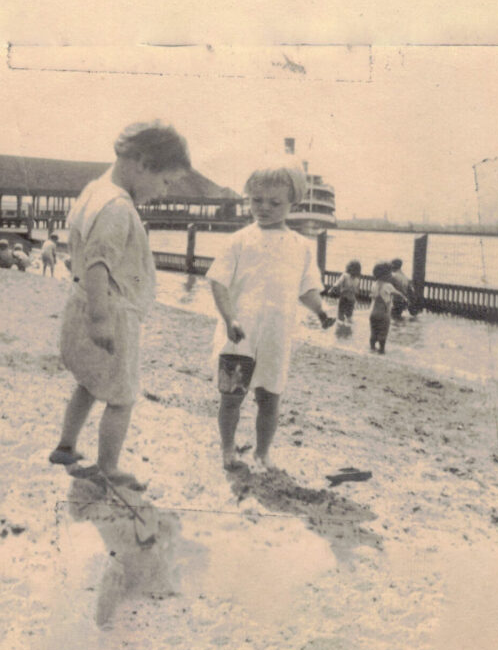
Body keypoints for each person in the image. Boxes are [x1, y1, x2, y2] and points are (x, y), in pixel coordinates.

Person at [48, 121, 191, 491]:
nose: (164, 193)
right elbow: (99, 261)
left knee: (91, 382)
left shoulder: (95, 190)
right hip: (108, 312)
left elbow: (79, 247)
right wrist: (100, 319)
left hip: (82, 304)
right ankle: (108, 466)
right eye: (166, 182)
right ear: (143, 163)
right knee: (122, 396)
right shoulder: (117, 207)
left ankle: (66, 446)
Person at [207, 163, 336, 473]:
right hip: (239, 335)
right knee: (231, 397)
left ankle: (263, 453)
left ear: (293, 203)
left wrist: (321, 311)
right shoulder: (239, 240)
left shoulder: (301, 247)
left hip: (277, 336)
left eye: (275, 203)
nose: (263, 208)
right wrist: (229, 318)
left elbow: (305, 289)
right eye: (256, 200)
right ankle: (228, 449)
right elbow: (218, 281)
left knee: (270, 398)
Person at [369, 262, 409, 354]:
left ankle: (372, 348)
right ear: (387, 275)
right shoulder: (388, 286)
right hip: (384, 314)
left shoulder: (374, 284)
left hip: (373, 313)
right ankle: (381, 350)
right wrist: (404, 298)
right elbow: (397, 293)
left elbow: (372, 295)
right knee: (383, 332)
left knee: (373, 332)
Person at [330, 259, 362, 324]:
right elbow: (357, 292)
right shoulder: (357, 279)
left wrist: (332, 289)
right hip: (351, 300)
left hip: (344, 298)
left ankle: (341, 329)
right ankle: (349, 329)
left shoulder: (345, 275)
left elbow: (338, 283)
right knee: (349, 316)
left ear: (348, 268)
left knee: (340, 315)